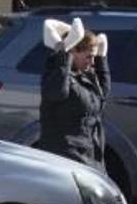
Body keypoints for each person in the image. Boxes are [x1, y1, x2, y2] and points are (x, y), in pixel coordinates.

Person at [36, 18, 110, 170]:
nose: (92, 62)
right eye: (89, 56)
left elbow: (102, 96)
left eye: (94, 57)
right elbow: (57, 92)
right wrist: (62, 52)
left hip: (90, 156)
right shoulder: (57, 73)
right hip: (65, 158)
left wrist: (102, 59)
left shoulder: (85, 75)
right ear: (73, 52)